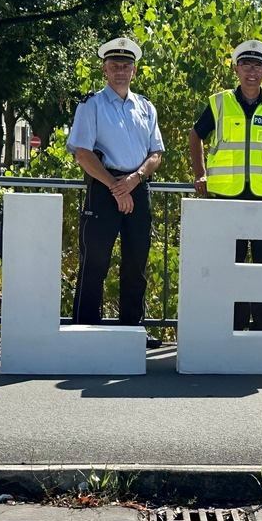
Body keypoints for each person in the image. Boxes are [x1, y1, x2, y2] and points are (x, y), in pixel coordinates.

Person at [188, 39, 262, 331]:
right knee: (230, 268)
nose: (251, 71)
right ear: (236, 69)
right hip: (227, 196)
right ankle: (233, 328)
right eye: (245, 65)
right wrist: (200, 173)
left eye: (257, 66)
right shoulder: (220, 101)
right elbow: (195, 135)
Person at [67, 37, 164, 347]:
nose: (120, 71)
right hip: (103, 187)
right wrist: (114, 185)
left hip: (137, 187)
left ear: (134, 71)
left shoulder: (146, 107)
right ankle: (84, 330)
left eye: (126, 66)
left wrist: (133, 180)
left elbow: (156, 154)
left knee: (137, 263)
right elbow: (83, 153)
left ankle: (132, 330)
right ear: (104, 70)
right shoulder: (91, 104)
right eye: (114, 66)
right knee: (95, 261)